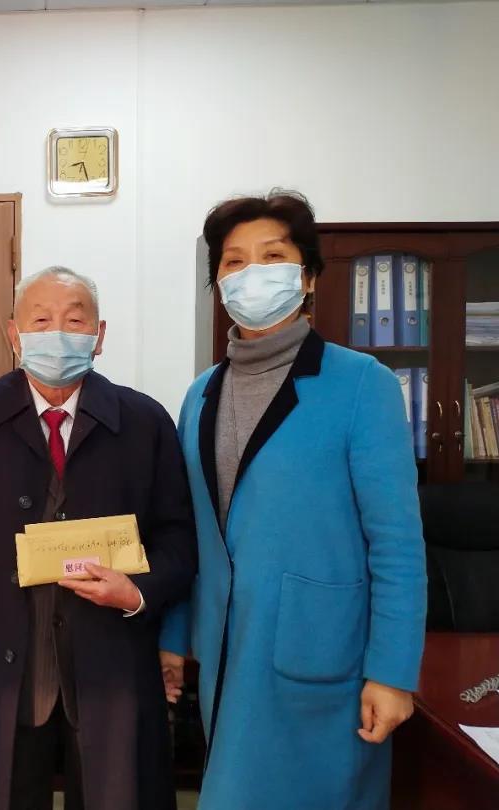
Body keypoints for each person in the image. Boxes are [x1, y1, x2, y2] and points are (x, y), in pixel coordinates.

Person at [159, 191, 427, 810]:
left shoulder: (363, 384)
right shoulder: (200, 395)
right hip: (226, 654)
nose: (252, 273)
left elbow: (396, 544)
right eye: (234, 262)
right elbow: (191, 532)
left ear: (307, 278)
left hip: (324, 662)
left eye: (273, 256)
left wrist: (393, 672)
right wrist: (173, 638)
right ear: (218, 285)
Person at [0, 266, 198, 810]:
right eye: (41, 321)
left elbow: (179, 540)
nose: (58, 334)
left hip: (112, 664)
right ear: (14, 334)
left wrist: (138, 592)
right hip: (2, 665)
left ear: (100, 334)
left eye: (75, 321)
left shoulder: (144, 421)